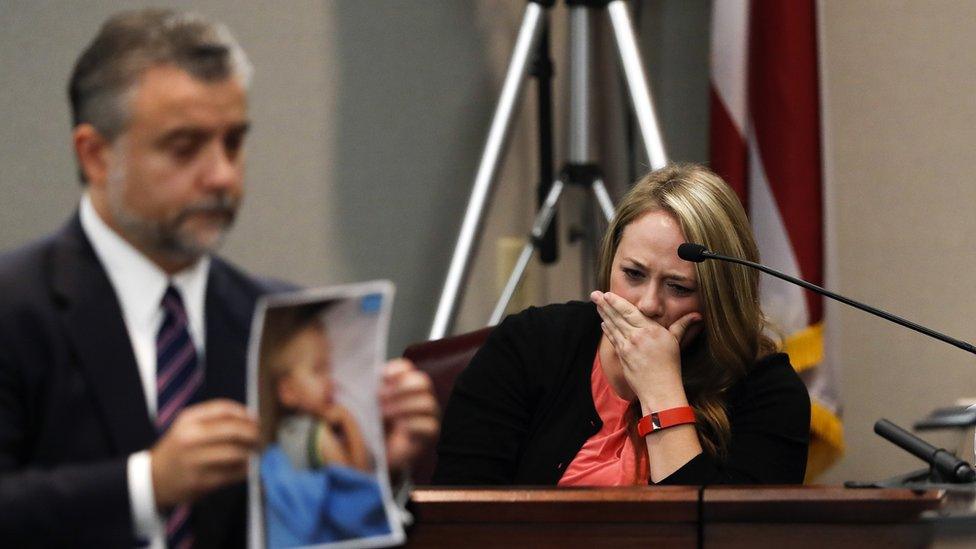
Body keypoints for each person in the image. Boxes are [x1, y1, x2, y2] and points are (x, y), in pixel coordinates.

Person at [0, 8, 438, 547]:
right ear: (95, 155)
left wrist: (375, 472)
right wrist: (147, 484)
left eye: (233, 142)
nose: (223, 176)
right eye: (185, 147)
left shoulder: (280, 321)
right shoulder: (15, 307)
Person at [433, 164, 810, 486]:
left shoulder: (767, 390)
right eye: (632, 274)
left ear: (720, 297)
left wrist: (661, 390)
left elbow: (721, 537)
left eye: (678, 287)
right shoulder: (530, 345)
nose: (647, 305)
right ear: (610, 263)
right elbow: (457, 516)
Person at [257, 303, 391, 545]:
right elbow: (357, 484)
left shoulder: (286, 432)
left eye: (328, 368)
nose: (331, 382)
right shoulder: (317, 435)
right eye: (318, 370)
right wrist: (350, 424)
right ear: (288, 391)